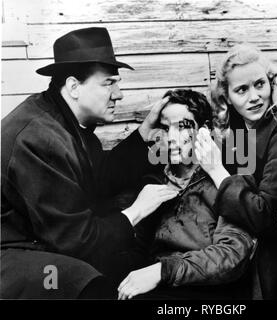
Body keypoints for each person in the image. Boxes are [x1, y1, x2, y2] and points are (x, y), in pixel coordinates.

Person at [1, 27, 178, 299]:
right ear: (73, 87)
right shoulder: (40, 139)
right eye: (109, 83)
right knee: (88, 284)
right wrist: (137, 211)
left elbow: (100, 179)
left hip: (41, 241)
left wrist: (143, 135)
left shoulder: (66, 122)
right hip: (12, 255)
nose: (118, 94)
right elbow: (76, 242)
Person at [194, 44, 277, 299]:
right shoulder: (241, 127)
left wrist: (216, 170)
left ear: (272, 83)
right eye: (241, 90)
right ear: (226, 97)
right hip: (248, 238)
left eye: (260, 84)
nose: (254, 97)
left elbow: (265, 217)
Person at [117, 89, 255, 300]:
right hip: (157, 287)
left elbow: (232, 255)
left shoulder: (227, 181)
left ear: (204, 130)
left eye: (182, 127)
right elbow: (136, 248)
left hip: (210, 290)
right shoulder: (153, 182)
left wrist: (163, 271)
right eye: (164, 128)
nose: (171, 138)